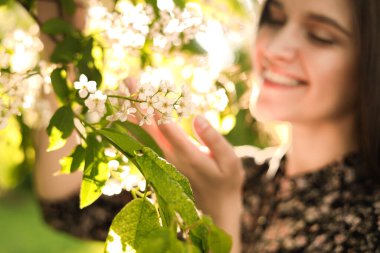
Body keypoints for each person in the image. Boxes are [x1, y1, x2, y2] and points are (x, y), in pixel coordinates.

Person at [35, 0, 380, 252]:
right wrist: (61, 53)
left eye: (320, 35)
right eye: (274, 19)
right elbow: (67, 207)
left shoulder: (370, 219)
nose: (275, 48)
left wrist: (219, 214)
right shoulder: (245, 176)